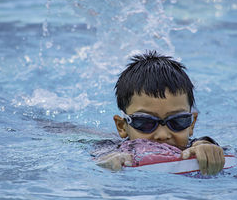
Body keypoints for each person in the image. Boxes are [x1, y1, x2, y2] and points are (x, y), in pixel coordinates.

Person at [95, 50, 225, 175]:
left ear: (191, 124)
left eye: (177, 121)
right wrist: (107, 163)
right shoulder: (113, 150)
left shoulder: (194, 149)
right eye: (146, 122)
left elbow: (203, 143)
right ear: (122, 126)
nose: (162, 135)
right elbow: (100, 157)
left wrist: (207, 147)